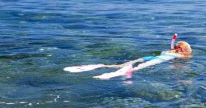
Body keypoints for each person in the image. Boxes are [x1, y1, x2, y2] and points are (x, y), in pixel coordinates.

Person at [63, 34, 192, 80]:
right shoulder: (179, 54)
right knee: (137, 68)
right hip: (159, 59)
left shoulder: (169, 50)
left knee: (126, 63)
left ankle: (102, 65)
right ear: (183, 50)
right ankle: (113, 74)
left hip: (151, 56)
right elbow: (181, 60)